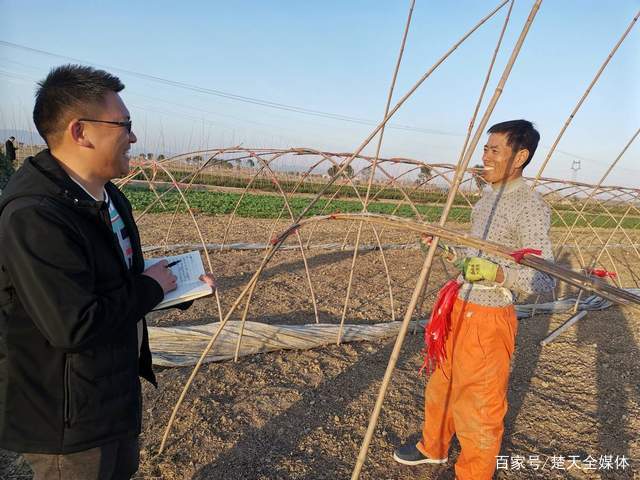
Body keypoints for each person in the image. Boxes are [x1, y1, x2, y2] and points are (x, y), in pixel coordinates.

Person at [0, 64, 215, 480]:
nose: (133, 137)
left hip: (113, 392)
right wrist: (149, 288)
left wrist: (173, 286)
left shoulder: (108, 196)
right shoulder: (36, 217)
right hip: (69, 416)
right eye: (125, 124)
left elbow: (112, 288)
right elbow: (74, 325)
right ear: (81, 131)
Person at [393, 120, 555, 479]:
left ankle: (474, 473)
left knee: (479, 403)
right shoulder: (486, 200)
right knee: (443, 382)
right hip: (459, 306)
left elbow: (544, 279)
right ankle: (432, 447)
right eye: (485, 148)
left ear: (520, 157)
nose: (486, 156)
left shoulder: (530, 207)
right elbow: (473, 255)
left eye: (495, 150)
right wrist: (447, 249)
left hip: (489, 315)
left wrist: (499, 274)